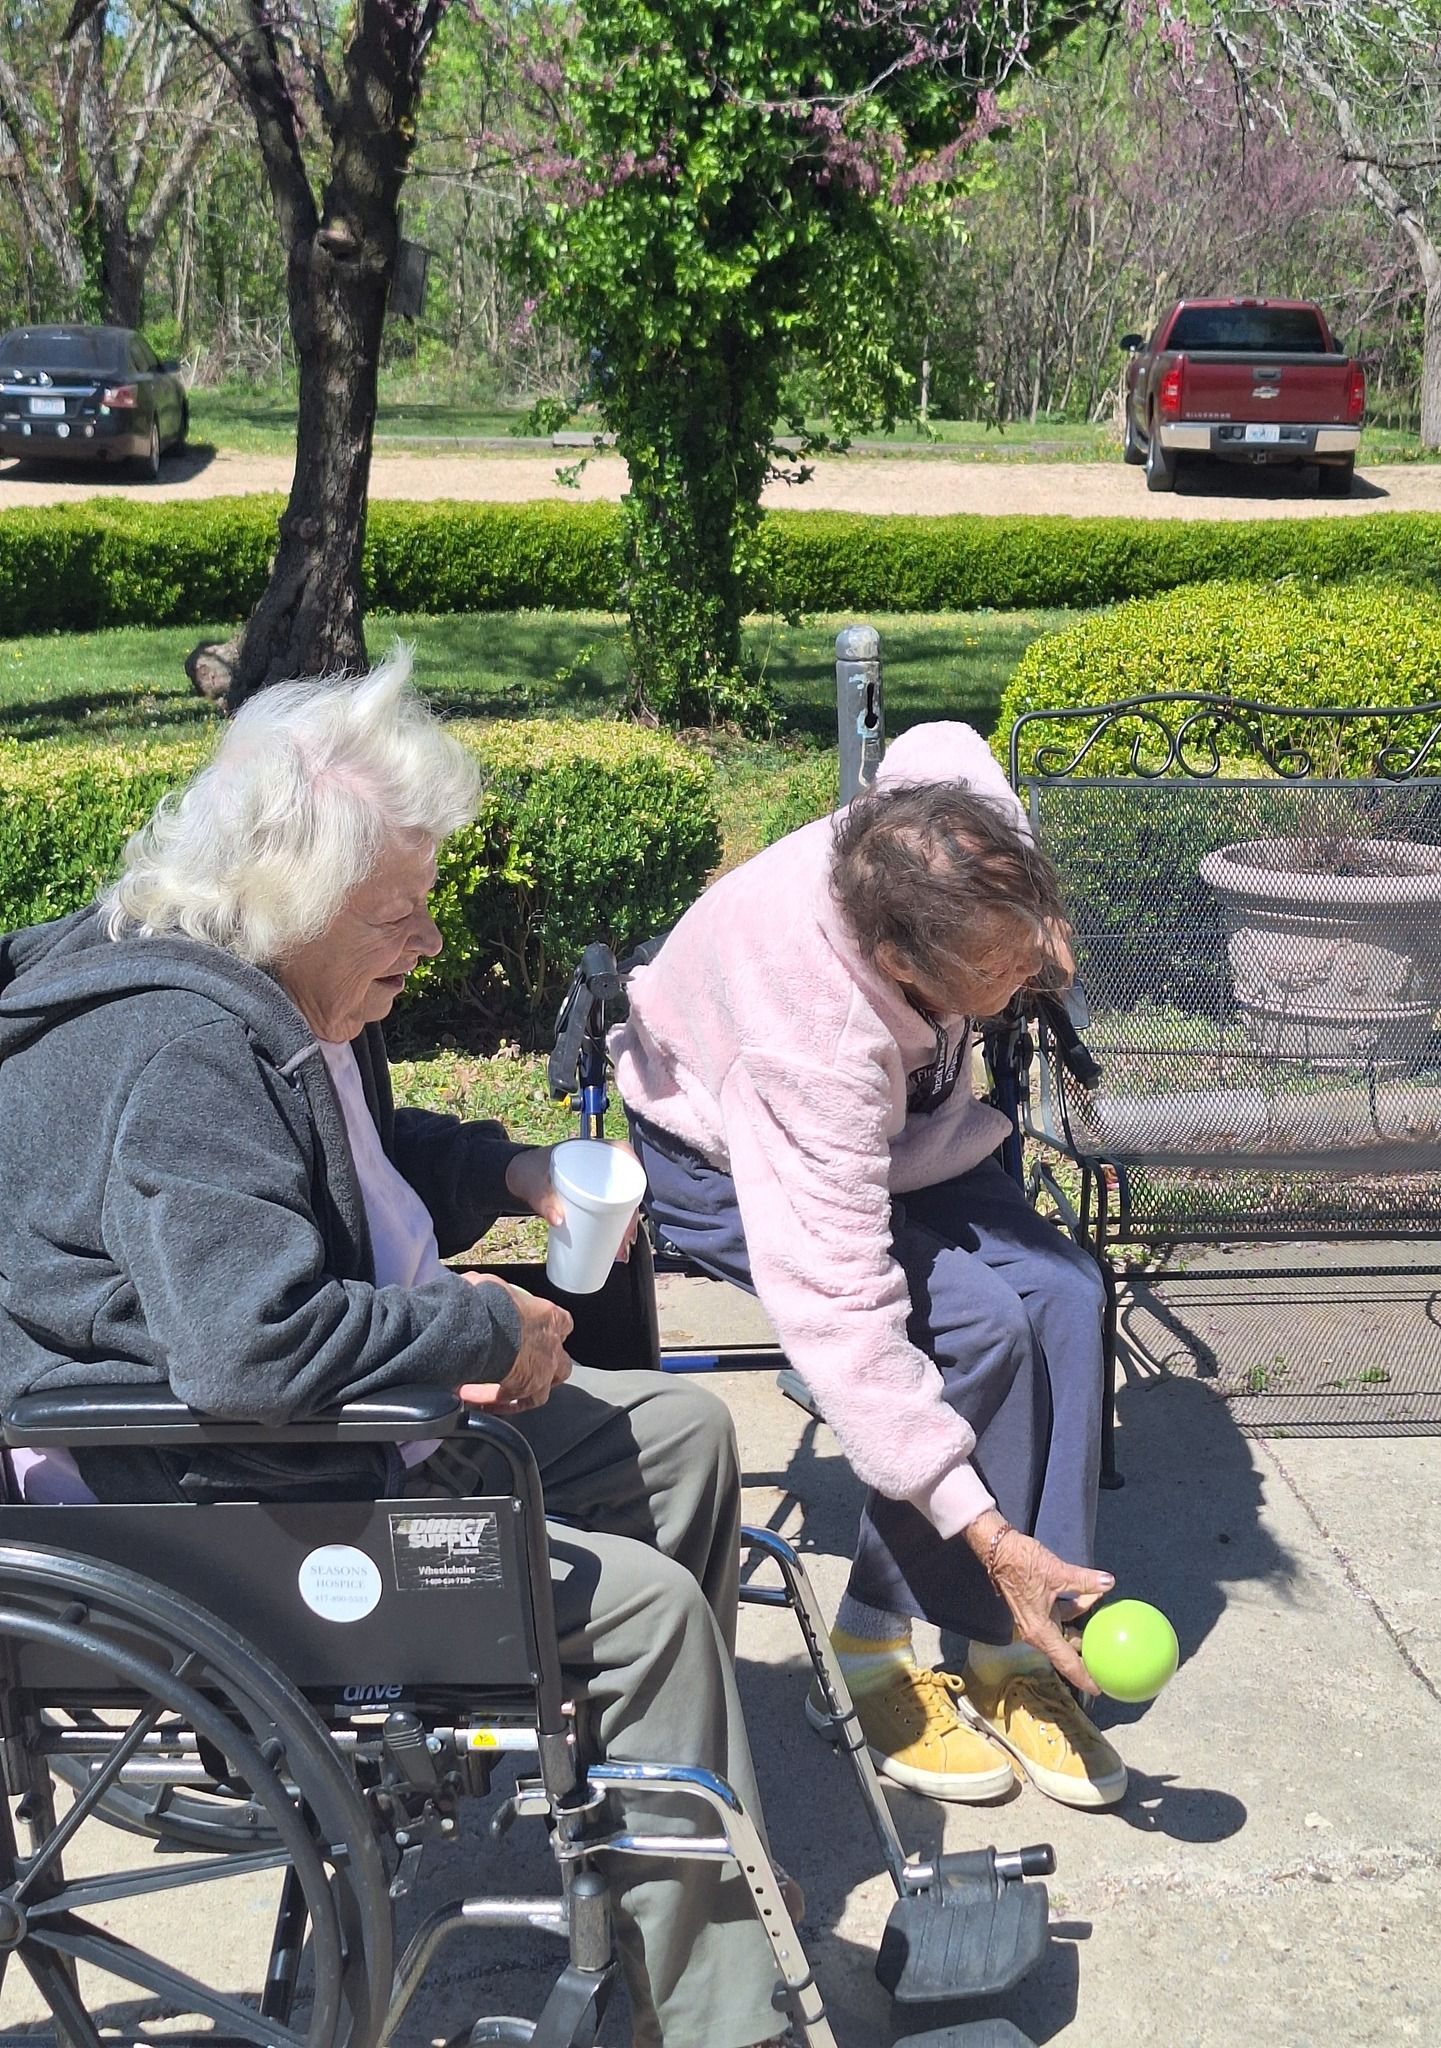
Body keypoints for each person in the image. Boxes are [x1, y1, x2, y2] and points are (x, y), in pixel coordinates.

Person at [0, 650, 791, 2048]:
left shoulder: (282, 985)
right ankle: (724, 2018)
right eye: (397, 914)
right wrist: (481, 1322)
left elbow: (345, 1159)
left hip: (338, 1428)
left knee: (684, 1439)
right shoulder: (184, 1055)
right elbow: (252, 1350)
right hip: (212, 1497)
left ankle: (635, 1830)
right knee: (653, 1619)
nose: (426, 942)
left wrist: (505, 1169)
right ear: (293, 898)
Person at [613, 721, 1127, 1811]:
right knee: (976, 1326)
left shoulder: (943, 831)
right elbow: (844, 1319)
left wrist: (1033, 917)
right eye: (995, 970)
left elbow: (945, 740)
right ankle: (871, 1647)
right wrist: (984, 1530)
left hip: (908, 1133)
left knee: (1067, 1294)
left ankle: (1014, 1643)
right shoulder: (811, 1035)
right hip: (729, 1152)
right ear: (900, 964)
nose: (1024, 979)